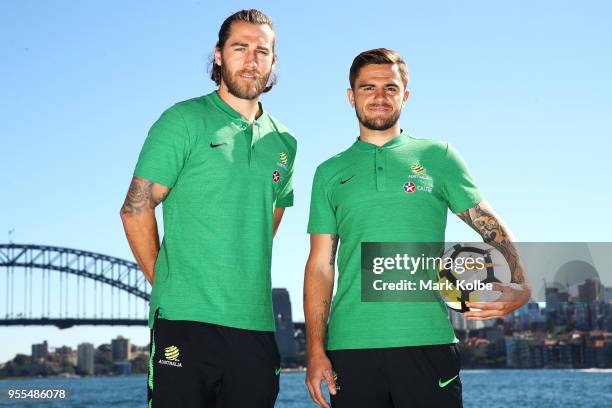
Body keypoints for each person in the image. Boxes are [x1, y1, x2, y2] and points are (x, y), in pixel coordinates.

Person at [304, 48, 530, 408]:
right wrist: (315, 350)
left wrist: (521, 283)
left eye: (391, 88)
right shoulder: (328, 173)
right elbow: (320, 264)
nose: (380, 97)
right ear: (351, 96)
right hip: (351, 347)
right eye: (368, 88)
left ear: (405, 96)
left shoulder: (438, 157)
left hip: (429, 343)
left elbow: (491, 228)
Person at [120, 9, 296, 408]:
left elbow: (265, 225)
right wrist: (167, 282)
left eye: (262, 51)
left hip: (255, 327)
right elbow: (135, 209)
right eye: (240, 48)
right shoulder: (182, 121)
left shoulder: (286, 144)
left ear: (273, 62)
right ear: (218, 55)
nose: (251, 60)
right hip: (185, 323)